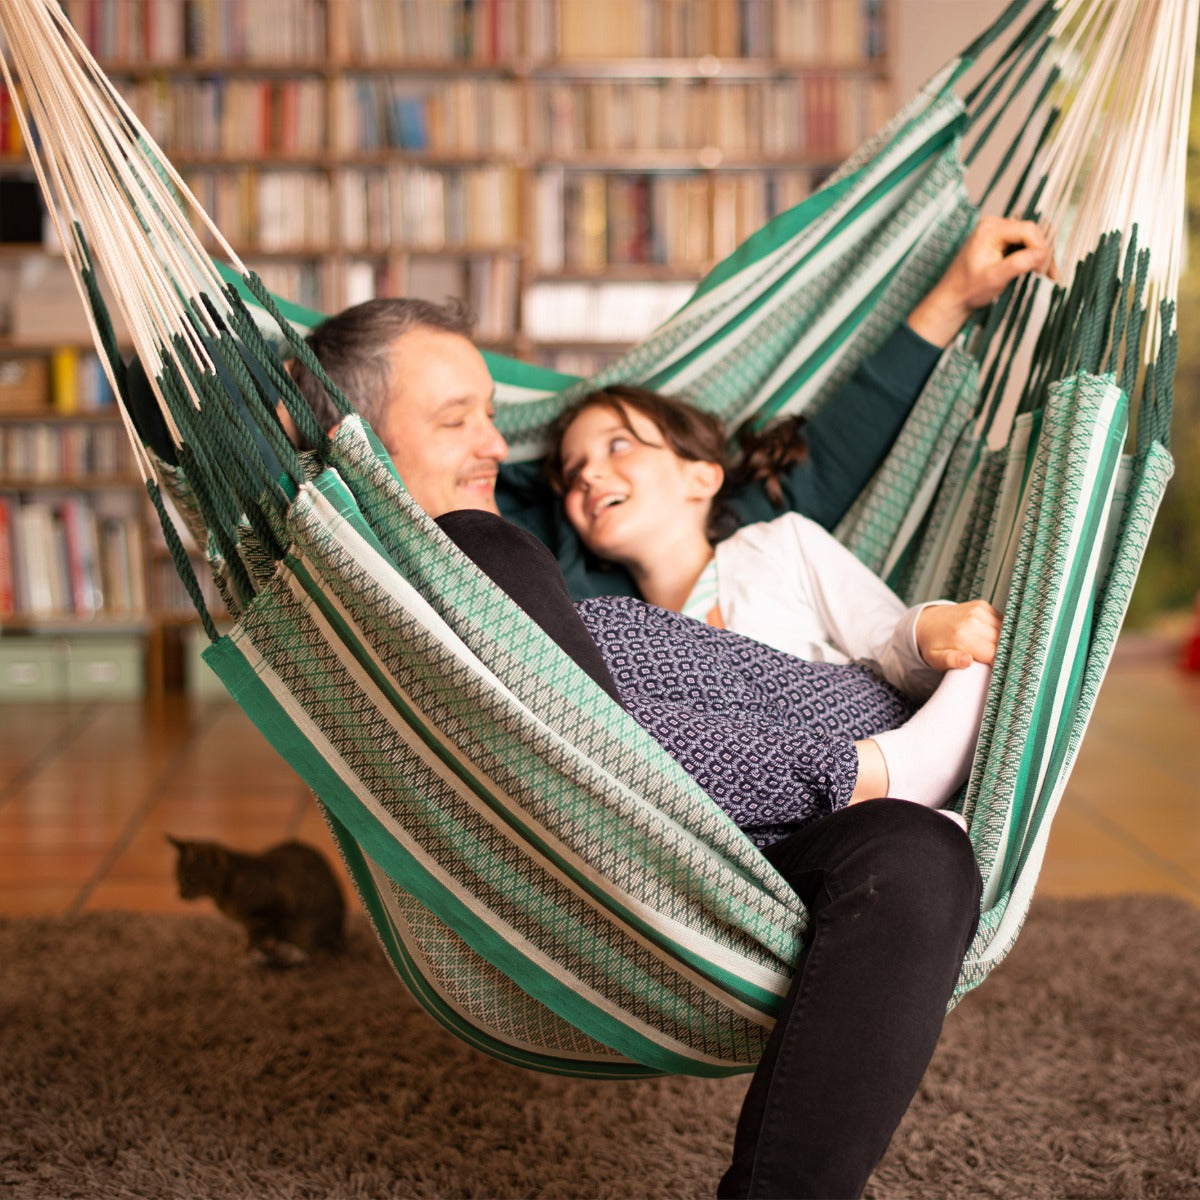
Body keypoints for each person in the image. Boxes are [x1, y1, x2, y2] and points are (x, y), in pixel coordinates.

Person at [286, 216, 1054, 603]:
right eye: (456, 419)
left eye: (489, 414)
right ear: (350, 442)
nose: (494, 444)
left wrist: (952, 297)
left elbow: (823, 467)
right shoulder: (340, 551)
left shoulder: (739, 552)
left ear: (701, 478)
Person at [546, 382, 1003, 811]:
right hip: (759, 831)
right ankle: (885, 786)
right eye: (571, 473)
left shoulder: (777, 547)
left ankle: (886, 771)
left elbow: (890, 649)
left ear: (701, 478)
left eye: (618, 445)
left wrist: (927, 628)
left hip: (856, 718)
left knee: (607, 641)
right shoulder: (633, 631)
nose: (588, 474)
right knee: (595, 699)